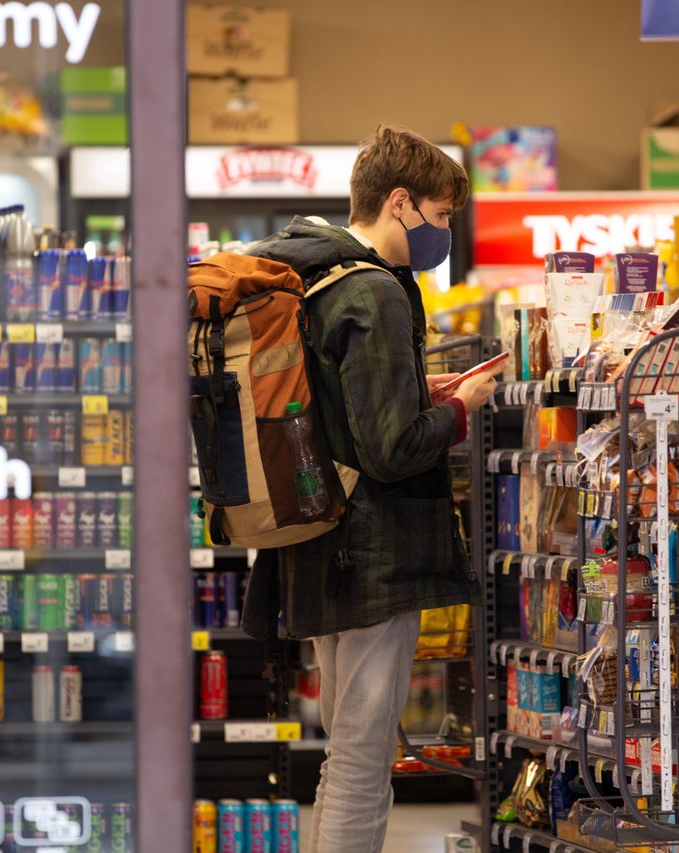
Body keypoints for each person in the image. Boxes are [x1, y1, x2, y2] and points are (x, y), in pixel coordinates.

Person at [240, 126, 501, 852]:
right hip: (371, 555)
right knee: (361, 757)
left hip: (318, 536)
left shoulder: (313, 275)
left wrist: (422, 389)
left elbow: (347, 411)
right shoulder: (376, 290)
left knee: (347, 751)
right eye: (443, 216)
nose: (445, 233)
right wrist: (460, 407)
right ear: (400, 203)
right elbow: (390, 450)